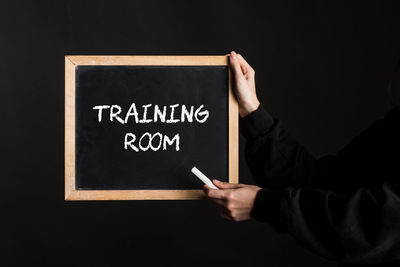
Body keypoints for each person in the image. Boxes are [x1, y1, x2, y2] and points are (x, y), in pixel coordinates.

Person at [204, 51, 400, 266]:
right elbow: (323, 183)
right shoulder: (392, 128)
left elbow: (373, 227)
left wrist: (264, 204)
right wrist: (251, 110)